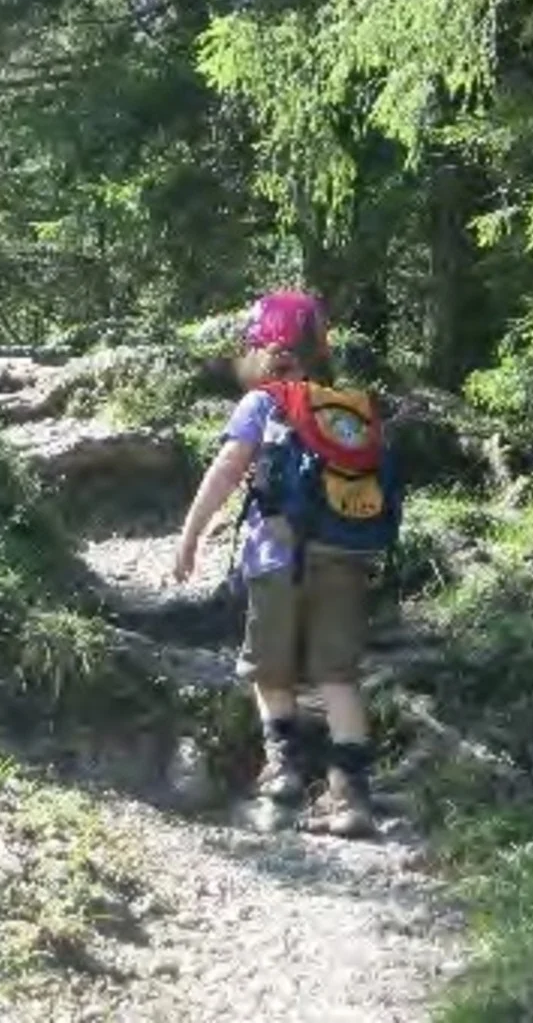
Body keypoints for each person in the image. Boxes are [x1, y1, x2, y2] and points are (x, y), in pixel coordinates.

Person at [173, 290, 378, 838]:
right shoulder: (344, 408)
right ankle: (351, 798)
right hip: (344, 558)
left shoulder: (261, 403)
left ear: (260, 349)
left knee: (270, 671)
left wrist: (190, 536)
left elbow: (226, 469)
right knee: (338, 678)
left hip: (275, 558)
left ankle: (282, 774)